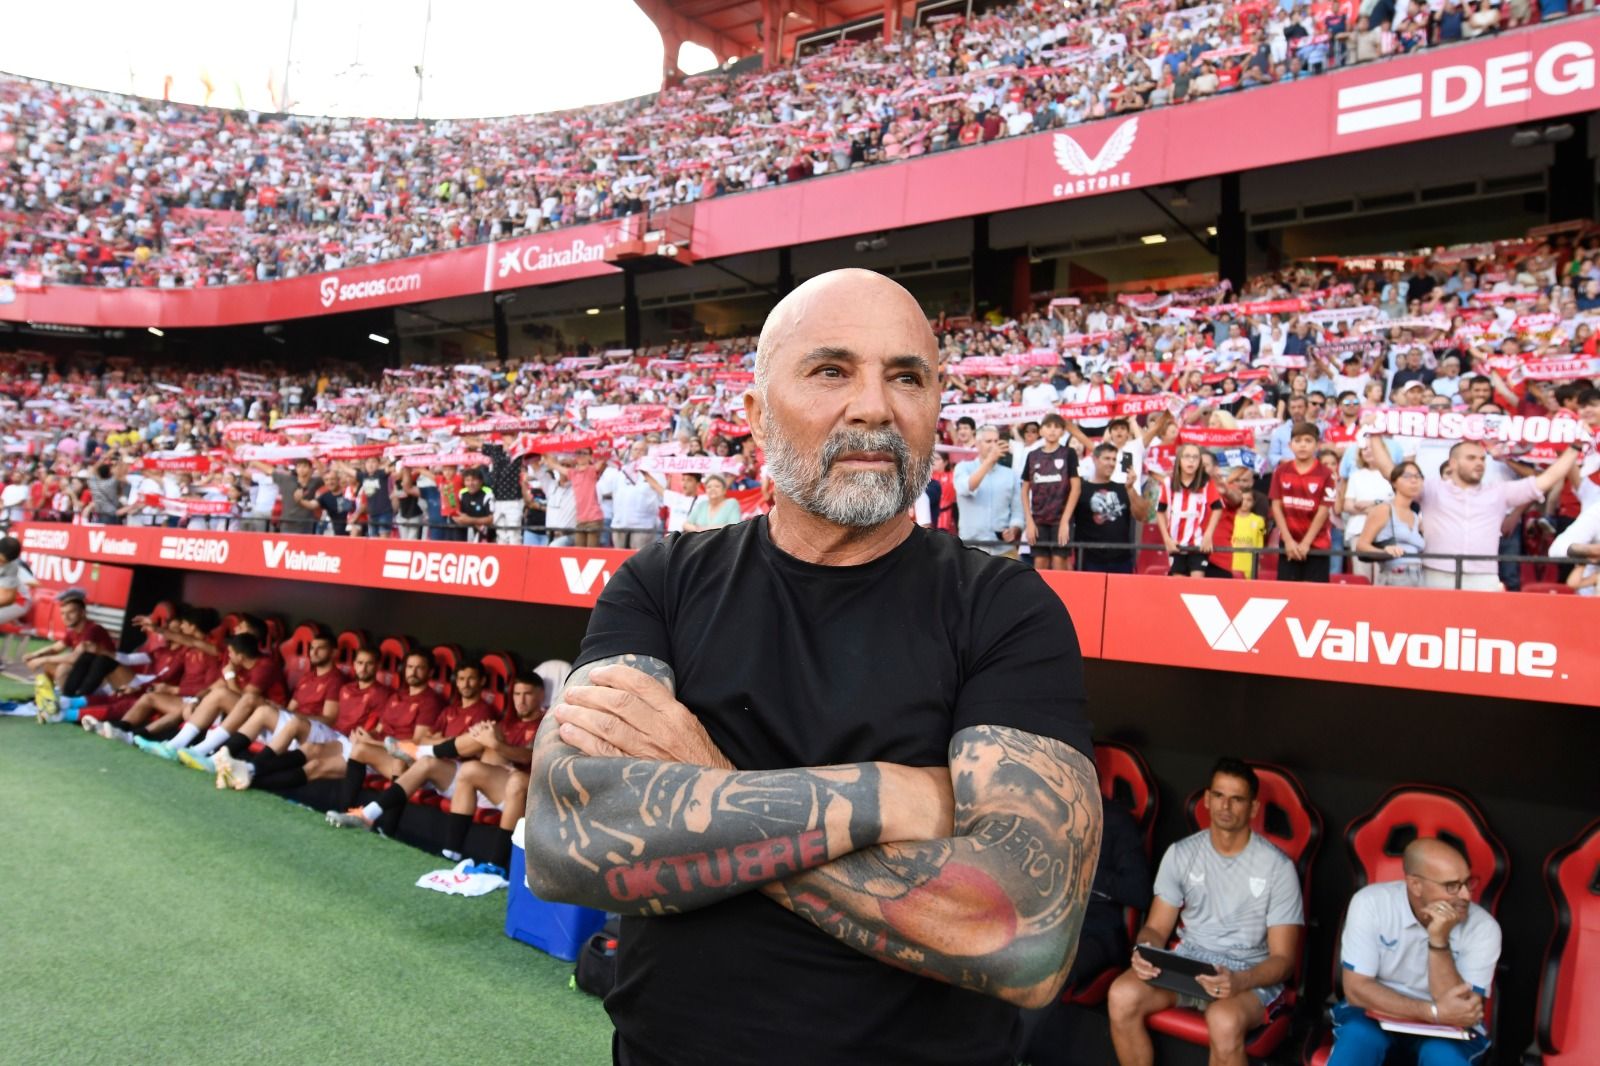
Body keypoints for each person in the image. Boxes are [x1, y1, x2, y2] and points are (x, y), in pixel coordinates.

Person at [525, 268, 1102, 1065]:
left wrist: (704, 783)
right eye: (832, 370)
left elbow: (1022, 937)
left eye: (906, 376)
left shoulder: (1006, 611)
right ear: (757, 416)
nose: (873, 405)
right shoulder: (659, 584)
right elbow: (566, 839)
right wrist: (895, 795)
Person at [1108, 758, 1303, 1066]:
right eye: (1219, 796)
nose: (1225, 806)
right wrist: (1145, 950)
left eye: (1237, 799)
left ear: (1253, 808)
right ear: (1207, 800)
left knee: (1224, 1021)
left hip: (1246, 975)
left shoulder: (1278, 868)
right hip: (1188, 966)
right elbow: (1156, 928)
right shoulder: (1181, 853)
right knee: (1121, 995)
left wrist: (1240, 980)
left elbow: (1284, 961)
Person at [1328, 839, 1499, 1066]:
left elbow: (1463, 1010)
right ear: (1415, 885)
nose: (1466, 895)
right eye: (1452, 886)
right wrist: (1433, 1012)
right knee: (1360, 1038)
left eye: (1469, 882)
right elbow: (1356, 990)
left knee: (1442, 1057)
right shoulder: (1371, 903)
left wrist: (1439, 941)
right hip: (1374, 1015)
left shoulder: (1483, 927)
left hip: (1449, 1031)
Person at [1369, 435, 1583, 590]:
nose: (1480, 463)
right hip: (1436, 575)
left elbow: (1545, 480)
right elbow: (1391, 472)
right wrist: (1375, 436)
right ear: (1452, 463)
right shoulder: (1432, 489)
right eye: (1471, 458)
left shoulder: (1499, 492)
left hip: (1484, 577)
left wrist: (1574, 448)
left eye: (1482, 458)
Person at [326, 660, 494, 833]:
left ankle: (386, 829)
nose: (465, 684)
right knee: (361, 750)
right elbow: (427, 739)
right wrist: (449, 741)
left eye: (471, 679)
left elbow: (470, 746)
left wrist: (442, 741)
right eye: (461, 679)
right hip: (428, 761)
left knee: (402, 761)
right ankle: (347, 813)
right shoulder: (450, 710)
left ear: (481, 681)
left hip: (449, 772)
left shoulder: (484, 712)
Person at [217, 644, 392, 794]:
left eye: (369, 664)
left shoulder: (382, 694)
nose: (364, 668)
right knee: (308, 747)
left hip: (358, 746)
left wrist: (368, 737)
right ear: (354, 664)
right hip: (340, 738)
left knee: (314, 765)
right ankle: (246, 769)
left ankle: (249, 778)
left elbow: (378, 729)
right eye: (360, 663)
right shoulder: (346, 688)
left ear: (377, 667)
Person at [439, 671, 545, 869]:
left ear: (541, 695)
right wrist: (490, 741)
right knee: (469, 769)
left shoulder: (547, 723)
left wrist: (496, 745)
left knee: (517, 780)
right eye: (516, 694)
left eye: (527, 694)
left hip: (533, 795)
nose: (520, 700)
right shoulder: (509, 722)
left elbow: (527, 756)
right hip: (504, 787)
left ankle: (497, 864)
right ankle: (451, 851)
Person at [1269, 423, 1337, 582]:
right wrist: (1288, 540)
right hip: (1288, 544)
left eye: (1308, 440)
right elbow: (1276, 506)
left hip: (1317, 544)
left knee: (1316, 599)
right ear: (1289, 445)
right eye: (1298, 440)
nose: (1303, 445)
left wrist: (1306, 543)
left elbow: (1324, 510)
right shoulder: (1281, 471)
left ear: (1317, 445)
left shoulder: (1326, 474)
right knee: (1287, 595)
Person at [1073, 443, 1150, 573]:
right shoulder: (1080, 489)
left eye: (1114, 459)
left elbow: (1142, 515)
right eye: (1107, 458)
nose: (1111, 463)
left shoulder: (1124, 488)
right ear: (1095, 459)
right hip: (1090, 560)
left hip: (1122, 560)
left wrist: (1130, 489)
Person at [955, 424, 1025, 557]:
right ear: (977, 444)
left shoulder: (1010, 474)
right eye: (988, 441)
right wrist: (989, 461)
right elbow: (966, 488)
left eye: (996, 441)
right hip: (971, 547)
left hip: (1002, 548)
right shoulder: (963, 468)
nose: (994, 445)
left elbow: (1018, 512)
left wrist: (1014, 529)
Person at [1021, 414, 1080, 570]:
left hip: (1060, 518)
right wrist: (1029, 521)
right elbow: (1025, 489)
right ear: (1041, 431)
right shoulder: (1032, 456)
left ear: (1062, 431)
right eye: (1048, 426)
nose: (1052, 431)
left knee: (1060, 562)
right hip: (1038, 519)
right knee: (1040, 563)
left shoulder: (1068, 453)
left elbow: (1076, 487)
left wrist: (1065, 521)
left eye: (1057, 427)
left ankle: (1062, 595)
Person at [1157, 443, 1226, 577]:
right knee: (1178, 586)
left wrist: (1208, 535)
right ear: (1179, 460)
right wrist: (1167, 539)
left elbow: (1218, 507)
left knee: (1196, 584)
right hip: (1176, 545)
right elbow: (1160, 511)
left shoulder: (1206, 482)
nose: (1191, 461)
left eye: (1195, 457)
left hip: (1198, 544)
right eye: (1187, 456)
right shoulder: (1168, 483)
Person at [1354, 461, 1426, 587]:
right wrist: (1385, 551)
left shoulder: (1415, 516)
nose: (1414, 481)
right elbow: (1361, 545)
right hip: (1395, 574)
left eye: (1418, 476)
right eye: (1407, 476)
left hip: (1419, 576)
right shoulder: (1384, 509)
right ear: (1394, 482)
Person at [0, 535, 35, 628]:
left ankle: (14, 621)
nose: (1, 563)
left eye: (4, 561)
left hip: (19, 601)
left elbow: (7, 598)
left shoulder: (12, 567)